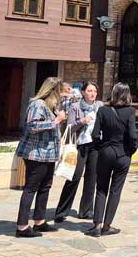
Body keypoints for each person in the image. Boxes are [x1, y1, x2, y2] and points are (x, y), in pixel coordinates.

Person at [15, 77, 69, 237]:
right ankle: (22, 226)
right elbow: (32, 126)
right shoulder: (37, 104)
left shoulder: (51, 106)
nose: (61, 96)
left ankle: (39, 221)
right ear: (52, 91)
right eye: (60, 92)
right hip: (36, 154)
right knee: (31, 188)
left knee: (45, 187)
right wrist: (56, 121)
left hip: (48, 155)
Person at [86, 82, 138, 237]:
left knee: (101, 189)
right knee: (115, 190)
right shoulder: (130, 111)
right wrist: (130, 152)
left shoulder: (103, 110)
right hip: (122, 154)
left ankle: (97, 225)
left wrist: (100, 147)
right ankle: (107, 226)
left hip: (105, 153)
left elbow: (95, 134)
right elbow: (133, 136)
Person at [54, 81, 104, 222]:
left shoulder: (99, 106)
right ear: (83, 92)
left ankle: (86, 211)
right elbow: (69, 127)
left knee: (91, 179)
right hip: (79, 146)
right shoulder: (75, 107)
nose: (92, 93)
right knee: (74, 177)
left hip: (95, 145)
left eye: (94, 91)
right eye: (89, 90)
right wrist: (82, 121)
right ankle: (61, 212)